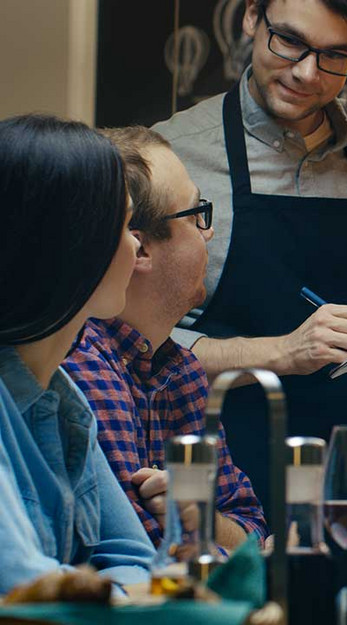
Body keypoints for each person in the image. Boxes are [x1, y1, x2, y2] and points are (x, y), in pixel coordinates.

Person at [151, 0, 347, 505]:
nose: (307, 73)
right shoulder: (174, 154)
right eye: (290, 41)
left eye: (336, 55)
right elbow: (143, 344)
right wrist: (284, 354)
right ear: (252, 16)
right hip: (218, 472)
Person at [62, 127, 267, 552]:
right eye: (195, 216)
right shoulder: (81, 362)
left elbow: (250, 526)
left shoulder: (182, 370)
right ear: (139, 250)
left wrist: (202, 519)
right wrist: (212, 534)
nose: (207, 233)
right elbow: (143, 551)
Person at [0, 114, 155, 593]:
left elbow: (134, 558)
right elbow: (23, 584)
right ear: (73, 241)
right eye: (127, 224)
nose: (137, 245)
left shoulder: (65, 401)